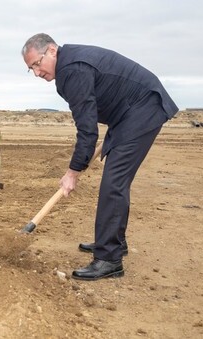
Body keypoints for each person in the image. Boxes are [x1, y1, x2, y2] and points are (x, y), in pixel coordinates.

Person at [22, 33, 178, 281]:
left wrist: (73, 172)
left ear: (52, 50)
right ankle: (114, 243)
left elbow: (87, 129)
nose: (37, 72)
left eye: (37, 64)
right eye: (31, 69)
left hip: (143, 110)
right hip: (128, 113)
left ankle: (109, 259)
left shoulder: (72, 69)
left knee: (113, 184)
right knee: (115, 182)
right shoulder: (69, 66)